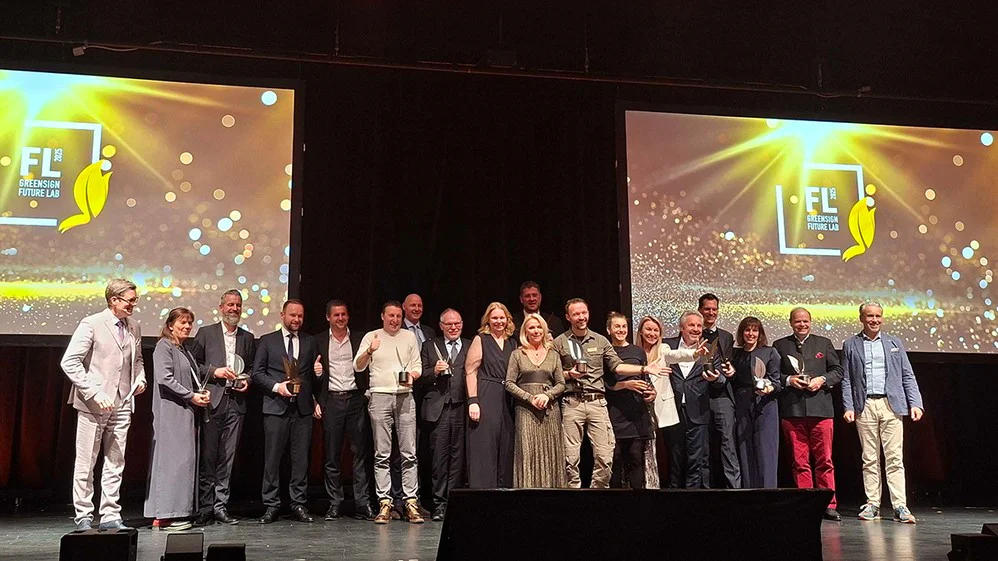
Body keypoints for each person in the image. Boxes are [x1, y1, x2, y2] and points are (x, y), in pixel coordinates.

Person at [61, 278, 146, 531]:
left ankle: (110, 513)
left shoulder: (134, 326)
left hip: (123, 402)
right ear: (113, 300)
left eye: (135, 301)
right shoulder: (92, 323)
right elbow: (70, 362)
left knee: (115, 461)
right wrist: (94, 392)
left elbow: (137, 360)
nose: (133, 305)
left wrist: (140, 378)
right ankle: (84, 515)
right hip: (93, 405)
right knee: (86, 461)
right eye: (129, 301)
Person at [553, 298, 664, 489]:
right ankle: (573, 494)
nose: (581, 317)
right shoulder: (560, 342)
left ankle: (599, 493)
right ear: (568, 317)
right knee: (570, 458)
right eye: (576, 314)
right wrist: (569, 374)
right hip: (572, 403)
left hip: (597, 402)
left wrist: (644, 369)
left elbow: (618, 367)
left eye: (584, 313)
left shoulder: (600, 340)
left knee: (605, 457)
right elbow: (553, 374)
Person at [842, 302, 924, 524]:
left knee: (894, 458)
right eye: (870, 316)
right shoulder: (850, 344)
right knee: (869, 458)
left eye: (878, 316)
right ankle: (873, 504)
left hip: (891, 405)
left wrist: (915, 403)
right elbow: (847, 379)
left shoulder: (894, 343)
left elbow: (907, 374)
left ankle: (899, 505)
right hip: (865, 405)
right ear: (861, 318)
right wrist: (848, 406)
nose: (874, 320)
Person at [354, 300, 424, 524]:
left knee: (409, 453)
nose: (395, 320)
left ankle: (410, 502)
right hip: (379, 397)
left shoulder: (409, 337)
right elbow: (358, 366)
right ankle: (385, 502)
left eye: (398, 316)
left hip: (405, 396)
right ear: (382, 316)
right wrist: (369, 350)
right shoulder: (372, 336)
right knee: (382, 454)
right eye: (391, 316)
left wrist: (412, 376)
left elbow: (417, 366)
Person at [191, 289, 255, 526]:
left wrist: (247, 380)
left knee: (227, 458)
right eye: (230, 304)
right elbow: (193, 365)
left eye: (238, 305)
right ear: (221, 308)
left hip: (236, 404)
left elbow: (251, 368)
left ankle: (220, 507)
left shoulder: (247, 337)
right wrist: (214, 371)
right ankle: (205, 507)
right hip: (212, 402)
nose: (234, 309)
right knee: (209, 456)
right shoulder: (206, 333)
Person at [773, 307, 844, 521]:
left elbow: (838, 371)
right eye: (798, 321)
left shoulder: (824, 343)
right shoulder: (780, 345)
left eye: (805, 321)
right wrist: (789, 380)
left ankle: (828, 504)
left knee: (825, 460)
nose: (802, 324)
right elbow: (774, 374)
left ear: (810, 322)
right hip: (793, 411)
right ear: (790, 323)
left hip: (821, 410)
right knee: (799, 461)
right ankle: (806, 503)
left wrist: (822, 380)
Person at [252, 299, 319, 524]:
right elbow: (257, 373)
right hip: (275, 407)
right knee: (272, 459)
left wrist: (319, 373)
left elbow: (313, 377)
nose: (296, 319)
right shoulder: (267, 340)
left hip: (302, 409)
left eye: (300, 316)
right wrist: (276, 387)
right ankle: (271, 505)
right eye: (292, 315)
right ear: (282, 315)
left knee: (301, 460)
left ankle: (298, 503)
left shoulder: (310, 341)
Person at [144, 307, 211, 531]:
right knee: (171, 463)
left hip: (185, 412)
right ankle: (164, 515)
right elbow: (164, 378)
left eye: (189, 323)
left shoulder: (183, 349)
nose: (187, 326)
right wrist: (191, 396)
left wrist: (199, 393)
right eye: (182, 322)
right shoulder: (164, 347)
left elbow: (191, 378)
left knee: (183, 462)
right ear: (170, 325)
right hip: (171, 414)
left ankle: (177, 512)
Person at [313, 299, 375, 521]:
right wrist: (316, 393)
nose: (340, 318)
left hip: (356, 399)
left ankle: (362, 503)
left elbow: (370, 366)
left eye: (343, 314)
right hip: (332, 401)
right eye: (336, 315)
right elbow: (310, 375)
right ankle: (335, 503)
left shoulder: (360, 339)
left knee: (360, 453)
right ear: (328, 317)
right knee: (332, 455)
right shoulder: (318, 341)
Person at [635, 315, 702, 488]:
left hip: (661, 406)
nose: (652, 333)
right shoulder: (634, 351)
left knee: (668, 451)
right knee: (643, 449)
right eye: (648, 329)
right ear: (641, 331)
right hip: (638, 406)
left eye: (656, 330)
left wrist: (695, 353)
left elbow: (677, 354)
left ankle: (664, 486)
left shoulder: (663, 349)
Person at [663, 311, 727, 489]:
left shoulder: (710, 349)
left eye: (699, 326)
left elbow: (721, 379)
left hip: (698, 411)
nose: (696, 329)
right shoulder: (667, 346)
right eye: (691, 325)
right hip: (672, 410)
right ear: (681, 327)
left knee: (696, 462)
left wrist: (715, 378)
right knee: (674, 459)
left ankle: (692, 497)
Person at [417, 309, 470, 520]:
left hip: (461, 407)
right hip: (438, 409)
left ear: (462, 324)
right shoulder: (429, 345)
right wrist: (434, 371)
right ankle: (439, 504)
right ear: (441, 326)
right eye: (449, 324)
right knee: (439, 457)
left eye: (457, 323)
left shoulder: (470, 345)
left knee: (458, 458)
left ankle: (453, 502)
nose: (453, 327)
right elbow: (420, 375)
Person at [504, 313, 567, 488]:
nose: (536, 330)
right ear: (525, 331)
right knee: (527, 452)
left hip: (550, 410)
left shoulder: (553, 354)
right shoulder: (517, 354)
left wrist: (548, 395)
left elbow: (561, 384)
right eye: (531, 327)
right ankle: (527, 495)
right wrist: (530, 398)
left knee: (550, 452)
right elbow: (509, 383)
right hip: (526, 410)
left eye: (539, 327)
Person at [465, 302, 518, 489]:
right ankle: (483, 493)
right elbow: (470, 371)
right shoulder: (481, 339)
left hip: (509, 397)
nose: (498, 321)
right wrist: (473, 401)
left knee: (506, 446)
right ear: (488, 320)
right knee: (485, 445)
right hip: (487, 394)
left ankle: (504, 494)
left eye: (502, 317)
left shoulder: (512, 342)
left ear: (507, 319)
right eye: (494, 318)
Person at [729, 317, 782, 489]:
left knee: (766, 451)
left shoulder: (770, 352)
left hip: (765, 405)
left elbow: (777, 382)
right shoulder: (736, 354)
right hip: (742, 405)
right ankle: (750, 493)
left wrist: (769, 389)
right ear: (741, 332)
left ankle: (768, 493)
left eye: (754, 330)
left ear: (760, 333)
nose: (750, 334)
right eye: (747, 330)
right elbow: (733, 381)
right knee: (745, 450)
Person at [605, 312, 656, 489]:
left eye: (624, 326)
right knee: (615, 459)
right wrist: (626, 384)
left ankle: (638, 501)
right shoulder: (605, 351)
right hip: (614, 411)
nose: (621, 330)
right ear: (609, 329)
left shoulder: (637, 351)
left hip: (636, 412)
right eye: (617, 326)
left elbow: (646, 378)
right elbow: (604, 384)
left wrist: (651, 392)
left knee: (636, 458)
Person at [699, 293, 740, 489]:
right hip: (698, 396)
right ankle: (705, 491)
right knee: (702, 447)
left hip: (722, 396)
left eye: (714, 309)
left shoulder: (726, 336)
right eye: (707, 309)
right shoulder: (693, 333)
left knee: (728, 445)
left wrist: (731, 372)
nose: (711, 312)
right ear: (700, 310)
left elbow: (729, 365)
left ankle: (734, 491)